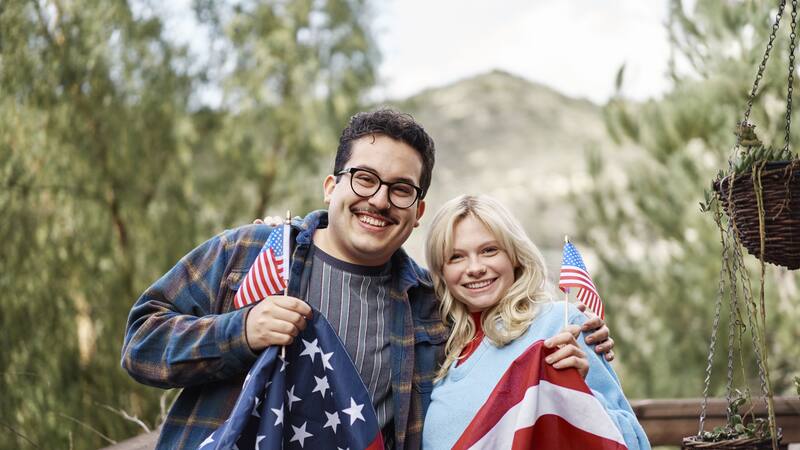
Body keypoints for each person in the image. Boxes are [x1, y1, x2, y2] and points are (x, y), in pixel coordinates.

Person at [121, 109, 615, 449]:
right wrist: (241, 330)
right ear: (331, 186)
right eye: (365, 178)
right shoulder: (247, 253)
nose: (379, 200)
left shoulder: (429, 304)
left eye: (401, 189)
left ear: (417, 212)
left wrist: (579, 347)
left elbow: (497, 355)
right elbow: (141, 343)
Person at [421, 195, 649, 449]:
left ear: (514, 255)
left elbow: (632, 442)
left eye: (489, 250)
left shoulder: (560, 324)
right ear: (441, 271)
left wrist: (580, 394)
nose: (475, 268)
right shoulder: (437, 339)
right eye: (456, 257)